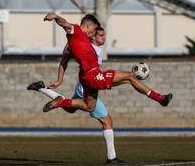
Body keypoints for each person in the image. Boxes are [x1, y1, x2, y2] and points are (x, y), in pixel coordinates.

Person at [27, 27, 125, 165]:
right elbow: (70, 56)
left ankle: (42, 88)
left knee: (70, 108)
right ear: (92, 37)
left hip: (82, 87)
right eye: (101, 35)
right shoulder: (91, 49)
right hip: (87, 89)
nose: (104, 38)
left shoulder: (96, 49)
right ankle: (112, 157)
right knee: (106, 120)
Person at [42, 13, 172, 113]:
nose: (93, 35)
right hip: (92, 75)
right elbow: (64, 23)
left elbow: (64, 60)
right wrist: (55, 16)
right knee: (129, 76)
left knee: (89, 106)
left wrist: (59, 80)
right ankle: (160, 99)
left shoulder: (77, 42)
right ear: (87, 26)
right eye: (93, 31)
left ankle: (61, 102)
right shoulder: (76, 31)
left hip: (87, 76)